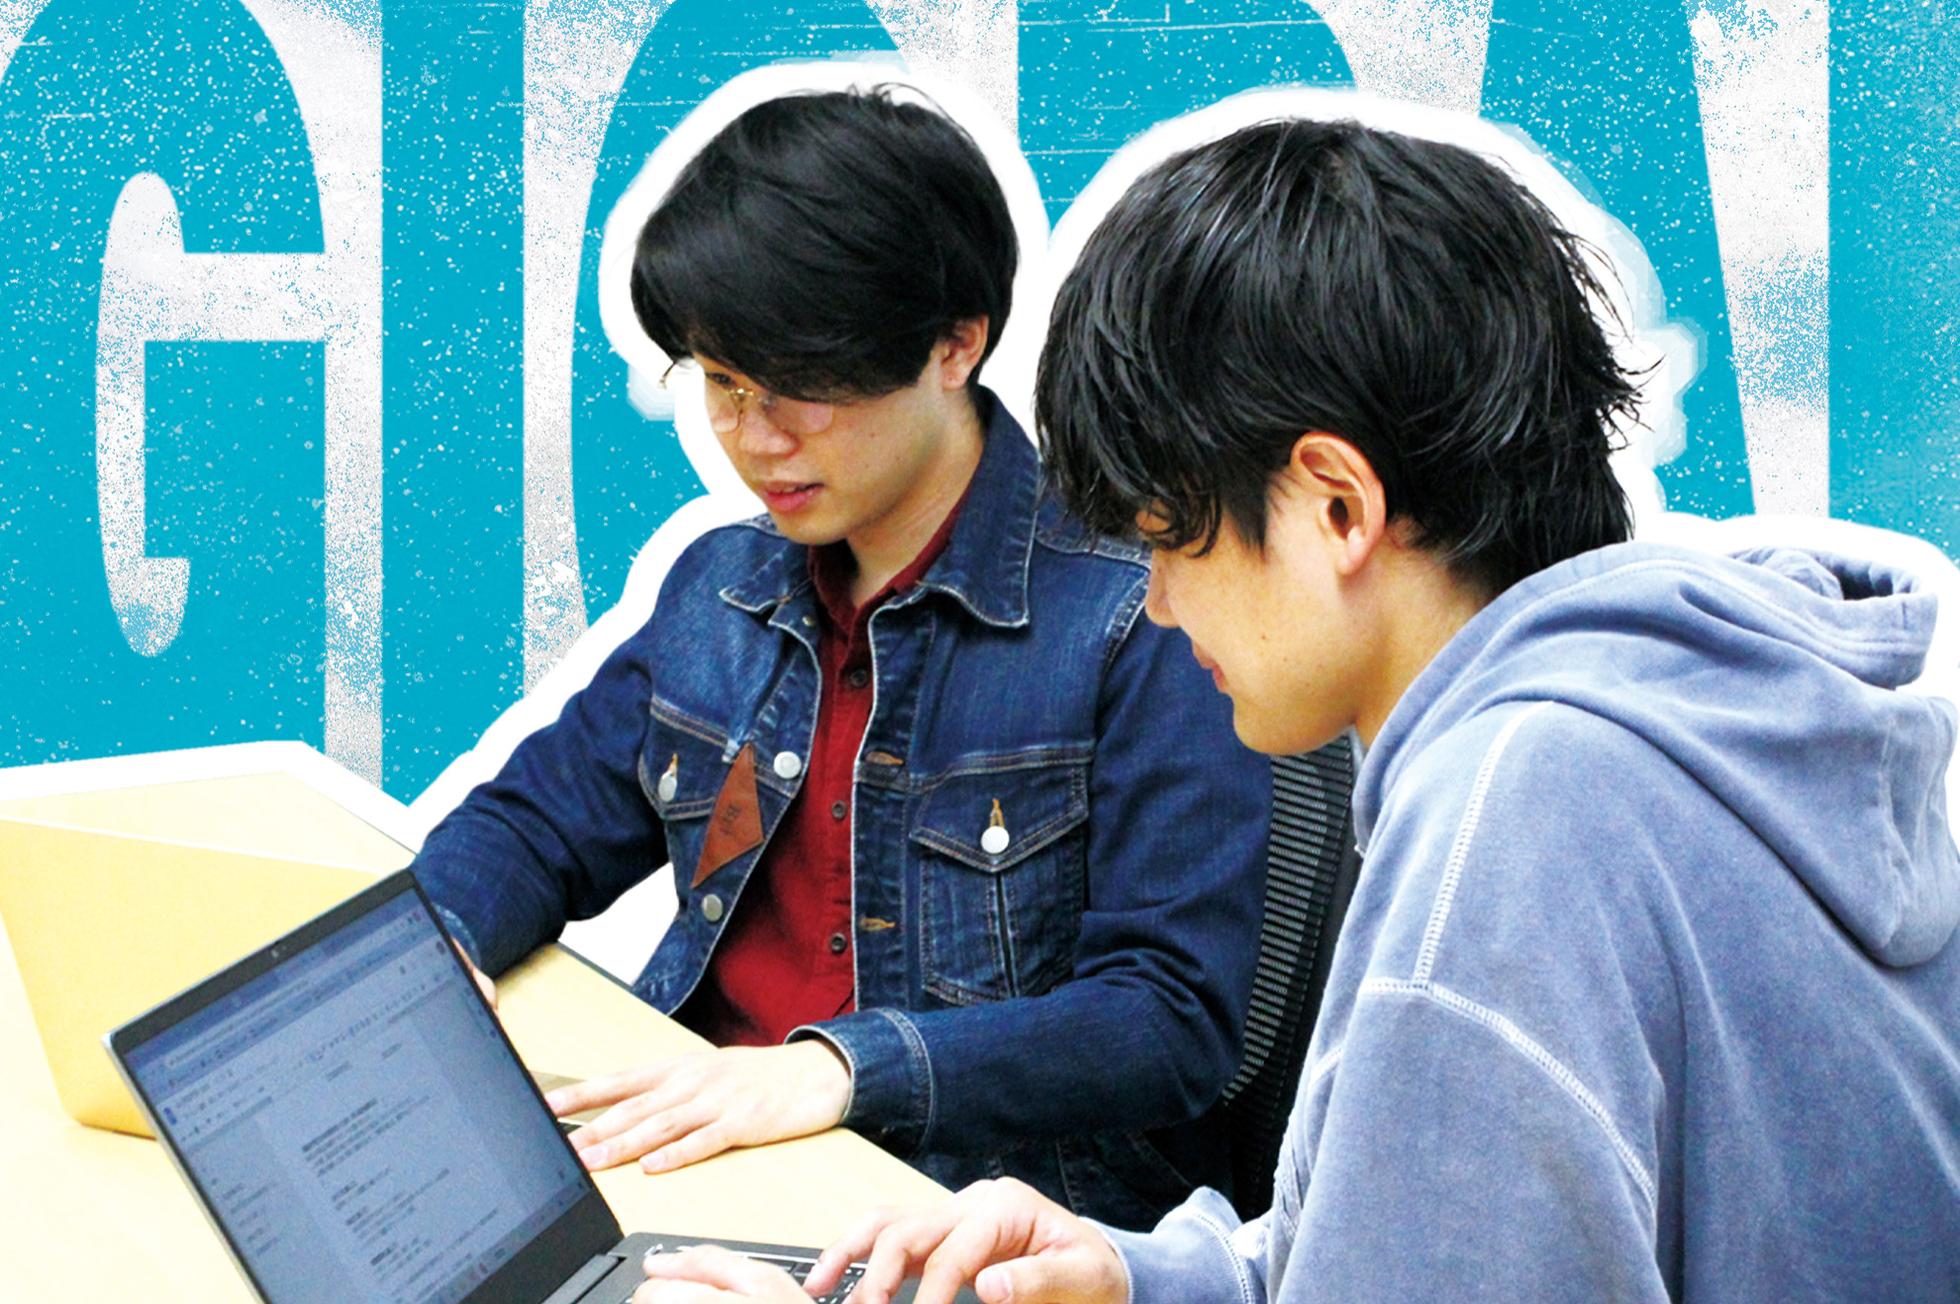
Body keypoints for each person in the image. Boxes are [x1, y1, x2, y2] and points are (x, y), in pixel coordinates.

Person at [637, 114, 1960, 1302]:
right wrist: (1148, 1277)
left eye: (1170, 540)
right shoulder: (1686, 705)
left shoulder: (1514, 831)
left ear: (1337, 506)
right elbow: (1436, 1234)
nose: (1159, 606)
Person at [407, 85, 1272, 1228]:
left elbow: (1166, 1019)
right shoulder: (720, 588)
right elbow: (532, 826)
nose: (754, 439)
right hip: (696, 1159)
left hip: (961, 1219)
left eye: (801, 389)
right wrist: (441, 946)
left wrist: (840, 1069)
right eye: (723, 384)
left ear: (956, 342)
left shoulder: (1137, 612)